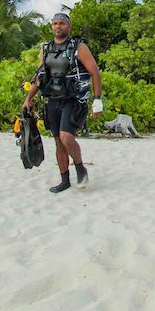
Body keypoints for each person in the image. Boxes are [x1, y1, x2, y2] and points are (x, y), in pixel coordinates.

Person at [23, 12, 103, 193]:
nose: (58, 26)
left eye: (61, 23)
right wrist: (28, 99)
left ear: (69, 27)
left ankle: (80, 167)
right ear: (51, 27)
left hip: (73, 100)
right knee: (59, 142)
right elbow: (40, 76)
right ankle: (64, 180)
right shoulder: (46, 48)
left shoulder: (79, 47)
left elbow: (95, 73)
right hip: (53, 100)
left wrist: (97, 100)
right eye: (55, 23)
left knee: (67, 137)